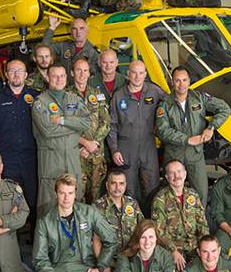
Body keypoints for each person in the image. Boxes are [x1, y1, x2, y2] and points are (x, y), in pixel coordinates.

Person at [155, 66, 231, 204]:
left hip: (195, 154)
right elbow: (163, 131)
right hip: (174, 154)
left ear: (189, 81)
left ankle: (198, 217)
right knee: (170, 193)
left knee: (201, 192)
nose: (181, 84)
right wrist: (187, 139)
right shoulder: (165, 104)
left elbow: (224, 109)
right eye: (177, 80)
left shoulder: (199, 98)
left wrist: (211, 127)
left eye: (184, 80)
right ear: (172, 82)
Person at [32, 64, 91, 217]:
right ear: (47, 78)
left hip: (72, 160)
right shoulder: (40, 102)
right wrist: (74, 126)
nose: (59, 79)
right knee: (48, 206)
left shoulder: (74, 99)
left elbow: (86, 122)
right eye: (55, 76)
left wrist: (63, 120)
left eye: (62, 76)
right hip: (51, 161)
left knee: (75, 204)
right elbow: (47, 130)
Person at [107, 60, 165, 203]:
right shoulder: (119, 96)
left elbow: (170, 104)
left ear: (145, 74)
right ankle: (131, 216)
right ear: (128, 74)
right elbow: (112, 125)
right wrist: (114, 150)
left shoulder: (154, 91)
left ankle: (151, 216)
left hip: (148, 144)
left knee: (152, 185)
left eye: (140, 73)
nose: (137, 76)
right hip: (126, 147)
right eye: (134, 72)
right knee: (129, 188)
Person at [0, 59, 39, 215]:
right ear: (7, 75)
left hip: (32, 159)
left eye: (20, 71)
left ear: (26, 75)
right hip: (7, 160)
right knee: (9, 203)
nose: (16, 74)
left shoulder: (36, 96)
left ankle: (34, 231)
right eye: (12, 71)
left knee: (33, 201)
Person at [151, 160, 209, 271]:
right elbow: (159, 231)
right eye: (172, 173)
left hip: (195, 246)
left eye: (179, 171)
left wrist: (205, 245)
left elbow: (202, 223)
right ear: (167, 177)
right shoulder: (160, 199)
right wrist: (173, 251)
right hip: (173, 248)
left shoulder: (193, 195)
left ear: (185, 174)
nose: (176, 176)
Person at [70, 56, 109, 202]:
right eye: (78, 70)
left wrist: (93, 143)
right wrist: (84, 143)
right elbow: (63, 126)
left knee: (96, 197)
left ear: (89, 73)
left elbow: (106, 122)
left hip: (96, 154)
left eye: (85, 70)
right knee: (76, 195)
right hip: (75, 153)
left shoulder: (97, 95)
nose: (82, 74)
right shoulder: (65, 96)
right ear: (72, 73)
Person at [94, 168, 144, 251]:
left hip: (131, 253)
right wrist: (102, 260)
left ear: (125, 185)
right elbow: (95, 239)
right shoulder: (97, 207)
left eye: (121, 183)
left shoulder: (132, 204)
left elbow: (142, 228)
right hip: (109, 255)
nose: (117, 187)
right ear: (107, 185)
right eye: (113, 183)